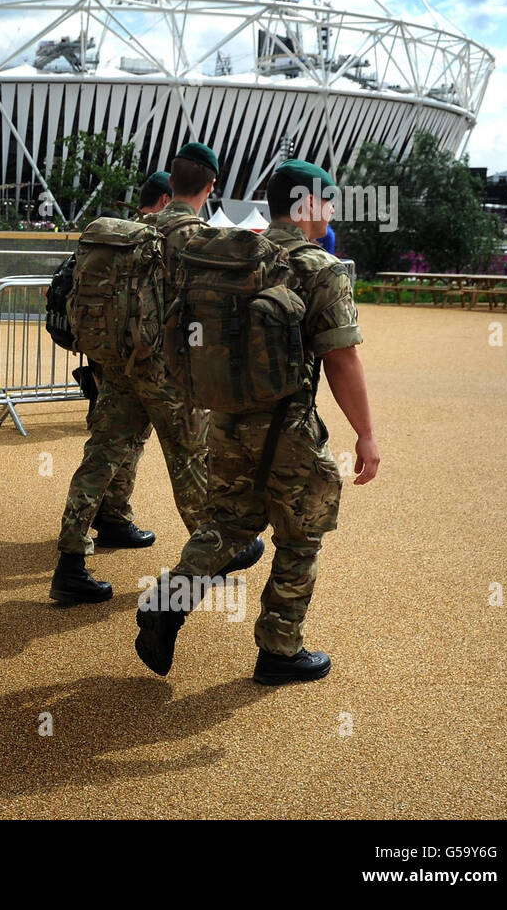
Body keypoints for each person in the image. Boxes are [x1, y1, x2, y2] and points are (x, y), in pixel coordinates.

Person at [135, 159, 380, 683]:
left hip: (224, 416)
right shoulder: (320, 268)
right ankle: (279, 650)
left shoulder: (228, 254)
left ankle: (167, 601)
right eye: (328, 200)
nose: (332, 210)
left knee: (228, 522)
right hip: (287, 424)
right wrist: (366, 433)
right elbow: (341, 359)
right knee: (302, 532)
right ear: (308, 204)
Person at [51, 146, 263, 605]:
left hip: (119, 367)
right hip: (169, 374)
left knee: (100, 456)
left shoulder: (135, 232)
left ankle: (69, 563)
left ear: (170, 189)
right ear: (209, 188)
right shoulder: (202, 239)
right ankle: (213, 555)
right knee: (190, 462)